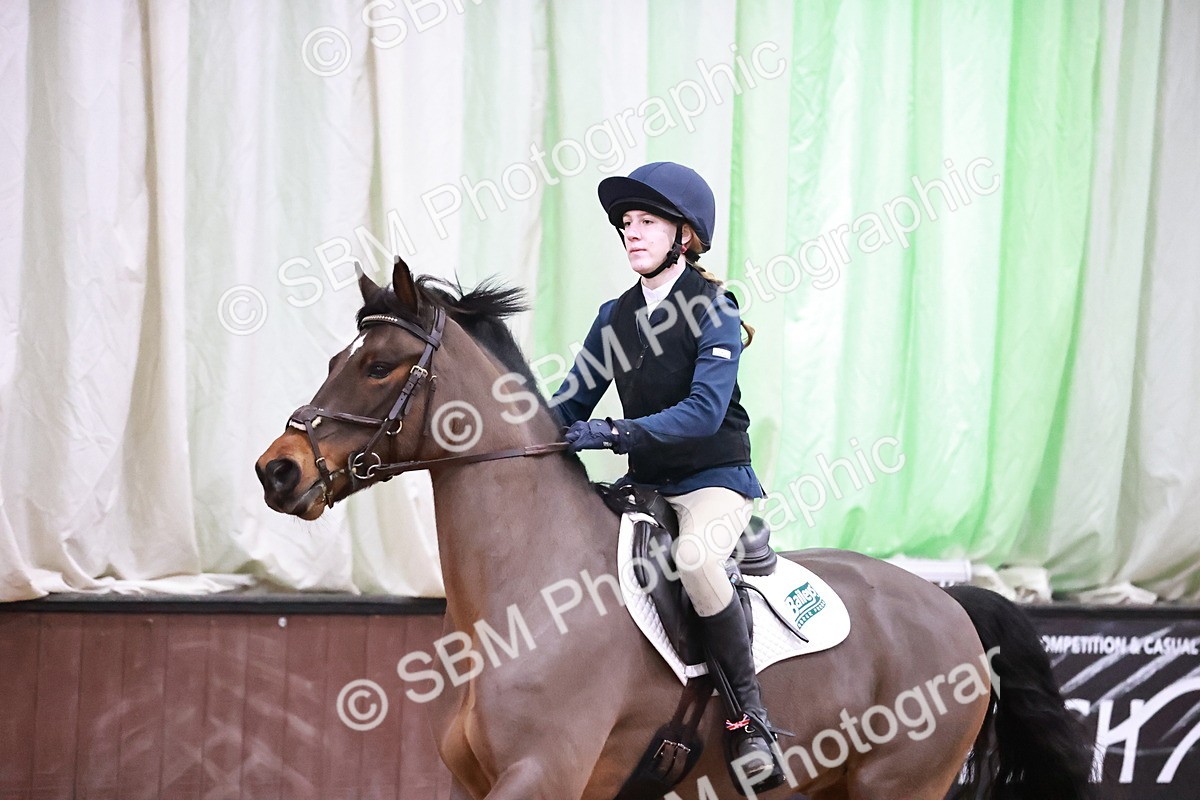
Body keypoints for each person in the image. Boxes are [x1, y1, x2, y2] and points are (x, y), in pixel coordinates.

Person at [551, 162, 785, 789]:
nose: (632, 233)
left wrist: (616, 432)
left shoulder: (715, 310)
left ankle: (748, 717)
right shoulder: (615, 317)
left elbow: (705, 413)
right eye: (627, 224)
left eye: (647, 222)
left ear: (684, 236)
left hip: (713, 481)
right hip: (647, 486)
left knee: (696, 558)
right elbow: (570, 405)